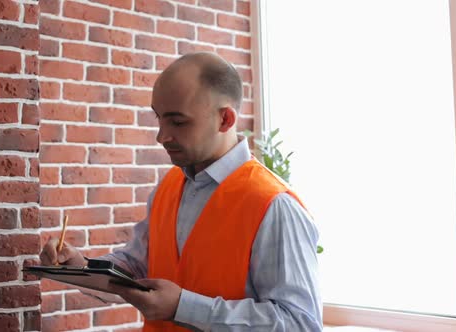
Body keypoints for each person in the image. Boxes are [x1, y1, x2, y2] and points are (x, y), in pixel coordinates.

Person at [40, 52, 322, 331]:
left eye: (178, 122)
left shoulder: (275, 205)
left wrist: (182, 308)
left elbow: (300, 324)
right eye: (159, 119)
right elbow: (137, 265)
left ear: (225, 120)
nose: (161, 136)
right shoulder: (169, 187)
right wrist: (80, 266)